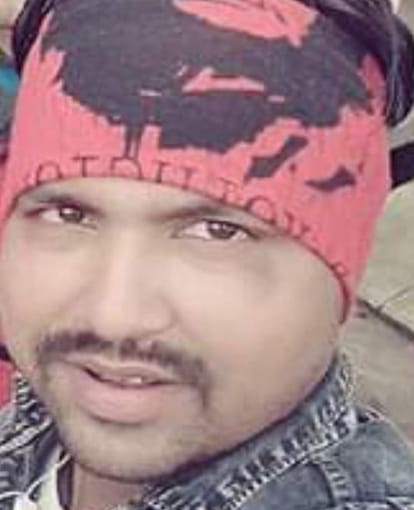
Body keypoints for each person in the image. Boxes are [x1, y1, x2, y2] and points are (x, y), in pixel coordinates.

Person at [0, 0, 413, 509]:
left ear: (345, 274)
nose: (113, 316)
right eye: (68, 214)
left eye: (218, 231)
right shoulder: (28, 433)